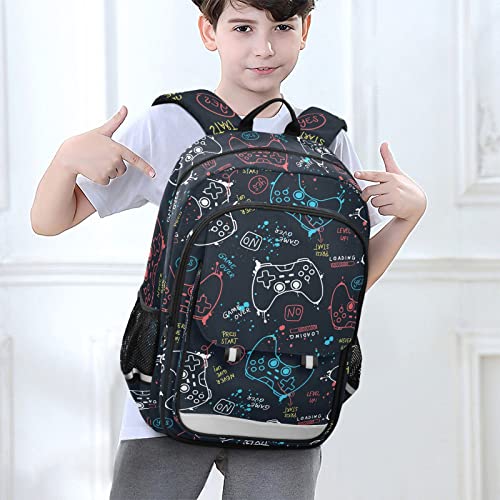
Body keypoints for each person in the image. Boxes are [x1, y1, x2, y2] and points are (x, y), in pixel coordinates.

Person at [30, 1, 427, 498]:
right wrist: (66, 159)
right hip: (170, 393)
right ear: (208, 31)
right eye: (243, 27)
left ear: (305, 30)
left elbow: (344, 285)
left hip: (286, 401)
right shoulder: (168, 123)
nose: (264, 47)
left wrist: (408, 217)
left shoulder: (327, 139)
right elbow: (50, 221)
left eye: (282, 27)